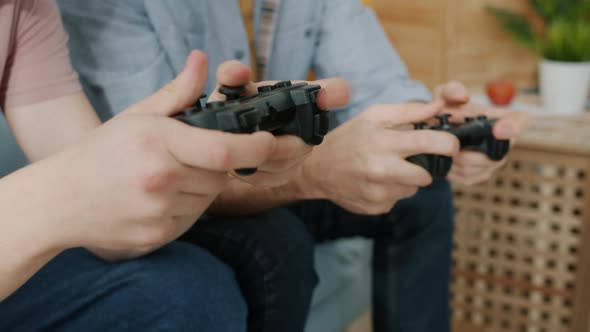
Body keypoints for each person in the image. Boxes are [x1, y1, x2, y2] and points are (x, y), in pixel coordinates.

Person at [57, 1, 531, 332]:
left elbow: (378, 82)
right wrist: (312, 171)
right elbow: (164, 165)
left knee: (422, 189)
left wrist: (430, 127)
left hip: (274, 173)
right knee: (278, 240)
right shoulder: (106, 5)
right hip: (170, 197)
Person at [0, 1, 352, 331]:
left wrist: (199, 160)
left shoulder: (26, 9)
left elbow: (110, 232)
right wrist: (61, 196)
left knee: (192, 289)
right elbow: (74, 187)